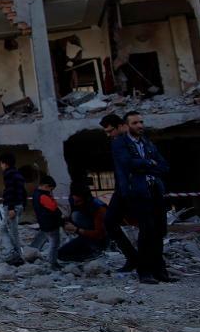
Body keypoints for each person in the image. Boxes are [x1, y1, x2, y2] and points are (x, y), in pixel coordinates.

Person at [111, 111, 172, 284]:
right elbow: (127, 163)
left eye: (141, 122)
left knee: (159, 231)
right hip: (138, 192)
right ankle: (144, 272)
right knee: (147, 231)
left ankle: (160, 270)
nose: (140, 125)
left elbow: (163, 166)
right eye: (135, 123)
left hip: (155, 190)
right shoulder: (120, 143)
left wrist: (146, 165)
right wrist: (149, 163)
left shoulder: (147, 143)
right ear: (127, 125)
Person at [99, 113, 139, 273]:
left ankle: (145, 262)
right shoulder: (118, 143)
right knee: (109, 222)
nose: (109, 135)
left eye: (111, 131)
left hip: (134, 189)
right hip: (122, 190)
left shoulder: (132, 141)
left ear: (121, 126)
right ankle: (133, 257)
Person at [58, 182, 109, 262]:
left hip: (99, 239)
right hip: (86, 234)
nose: (76, 204)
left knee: (76, 215)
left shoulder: (99, 209)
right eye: (74, 201)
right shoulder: (77, 202)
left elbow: (99, 234)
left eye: (78, 201)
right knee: (61, 254)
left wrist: (76, 229)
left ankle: (94, 251)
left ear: (86, 199)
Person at [0, 152, 27, 266]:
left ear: (5, 164)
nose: (0, 166)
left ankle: (15, 255)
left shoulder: (9, 174)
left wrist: (11, 208)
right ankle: (14, 253)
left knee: (10, 231)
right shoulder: (18, 174)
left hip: (12, 206)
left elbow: (10, 191)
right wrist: (22, 206)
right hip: (18, 205)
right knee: (5, 229)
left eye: (1, 163)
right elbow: (23, 192)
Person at [30, 175, 62, 269]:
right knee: (54, 243)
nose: (51, 191)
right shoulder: (43, 196)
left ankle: (33, 254)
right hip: (50, 223)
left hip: (43, 223)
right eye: (51, 189)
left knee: (45, 240)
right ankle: (52, 262)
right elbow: (53, 207)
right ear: (46, 186)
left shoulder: (36, 194)